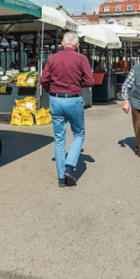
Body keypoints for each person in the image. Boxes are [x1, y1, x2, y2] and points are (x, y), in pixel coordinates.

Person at [39, 31, 94, 188]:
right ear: (77, 45)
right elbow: (90, 81)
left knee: (59, 138)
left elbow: (43, 80)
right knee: (79, 133)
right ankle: (70, 167)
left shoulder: (52, 58)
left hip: (56, 99)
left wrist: (51, 90)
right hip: (73, 99)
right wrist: (76, 84)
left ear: (62, 44)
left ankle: (61, 178)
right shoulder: (81, 58)